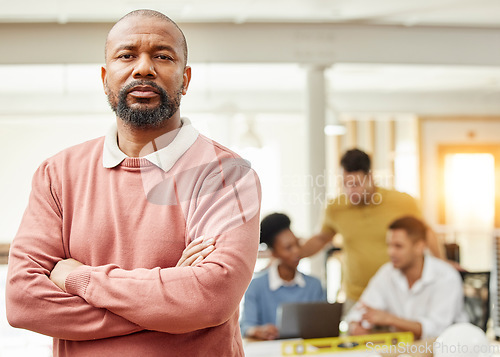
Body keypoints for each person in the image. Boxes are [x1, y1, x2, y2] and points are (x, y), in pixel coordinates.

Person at [6, 9, 261, 357]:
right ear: (105, 77)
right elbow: (24, 302)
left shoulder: (226, 174)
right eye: (127, 55)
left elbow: (210, 298)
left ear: (185, 79)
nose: (143, 68)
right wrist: (169, 304)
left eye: (162, 56)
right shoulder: (57, 173)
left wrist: (78, 279)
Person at [299, 148, 443, 313]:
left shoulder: (402, 201)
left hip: (396, 295)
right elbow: (321, 239)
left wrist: (443, 266)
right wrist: (294, 255)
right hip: (356, 297)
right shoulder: (335, 207)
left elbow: (427, 233)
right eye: (345, 184)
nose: (350, 191)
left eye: (356, 184)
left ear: (370, 177)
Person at [347, 216, 467, 339]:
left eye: (398, 246)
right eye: (389, 245)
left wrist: (389, 319)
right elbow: (357, 313)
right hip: (401, 348)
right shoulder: (387, 272)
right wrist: (356, 325)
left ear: (419, 247)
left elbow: (436, 330)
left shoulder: (446, 276)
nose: (391, 252)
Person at [240, 213, 325, 340]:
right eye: (288, 248)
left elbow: (324, 326)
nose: (296, 251)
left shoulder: (314, 285)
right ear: (274, 253)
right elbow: (246, 326)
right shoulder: (256, 286)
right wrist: (257, 331)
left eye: (297, 244)